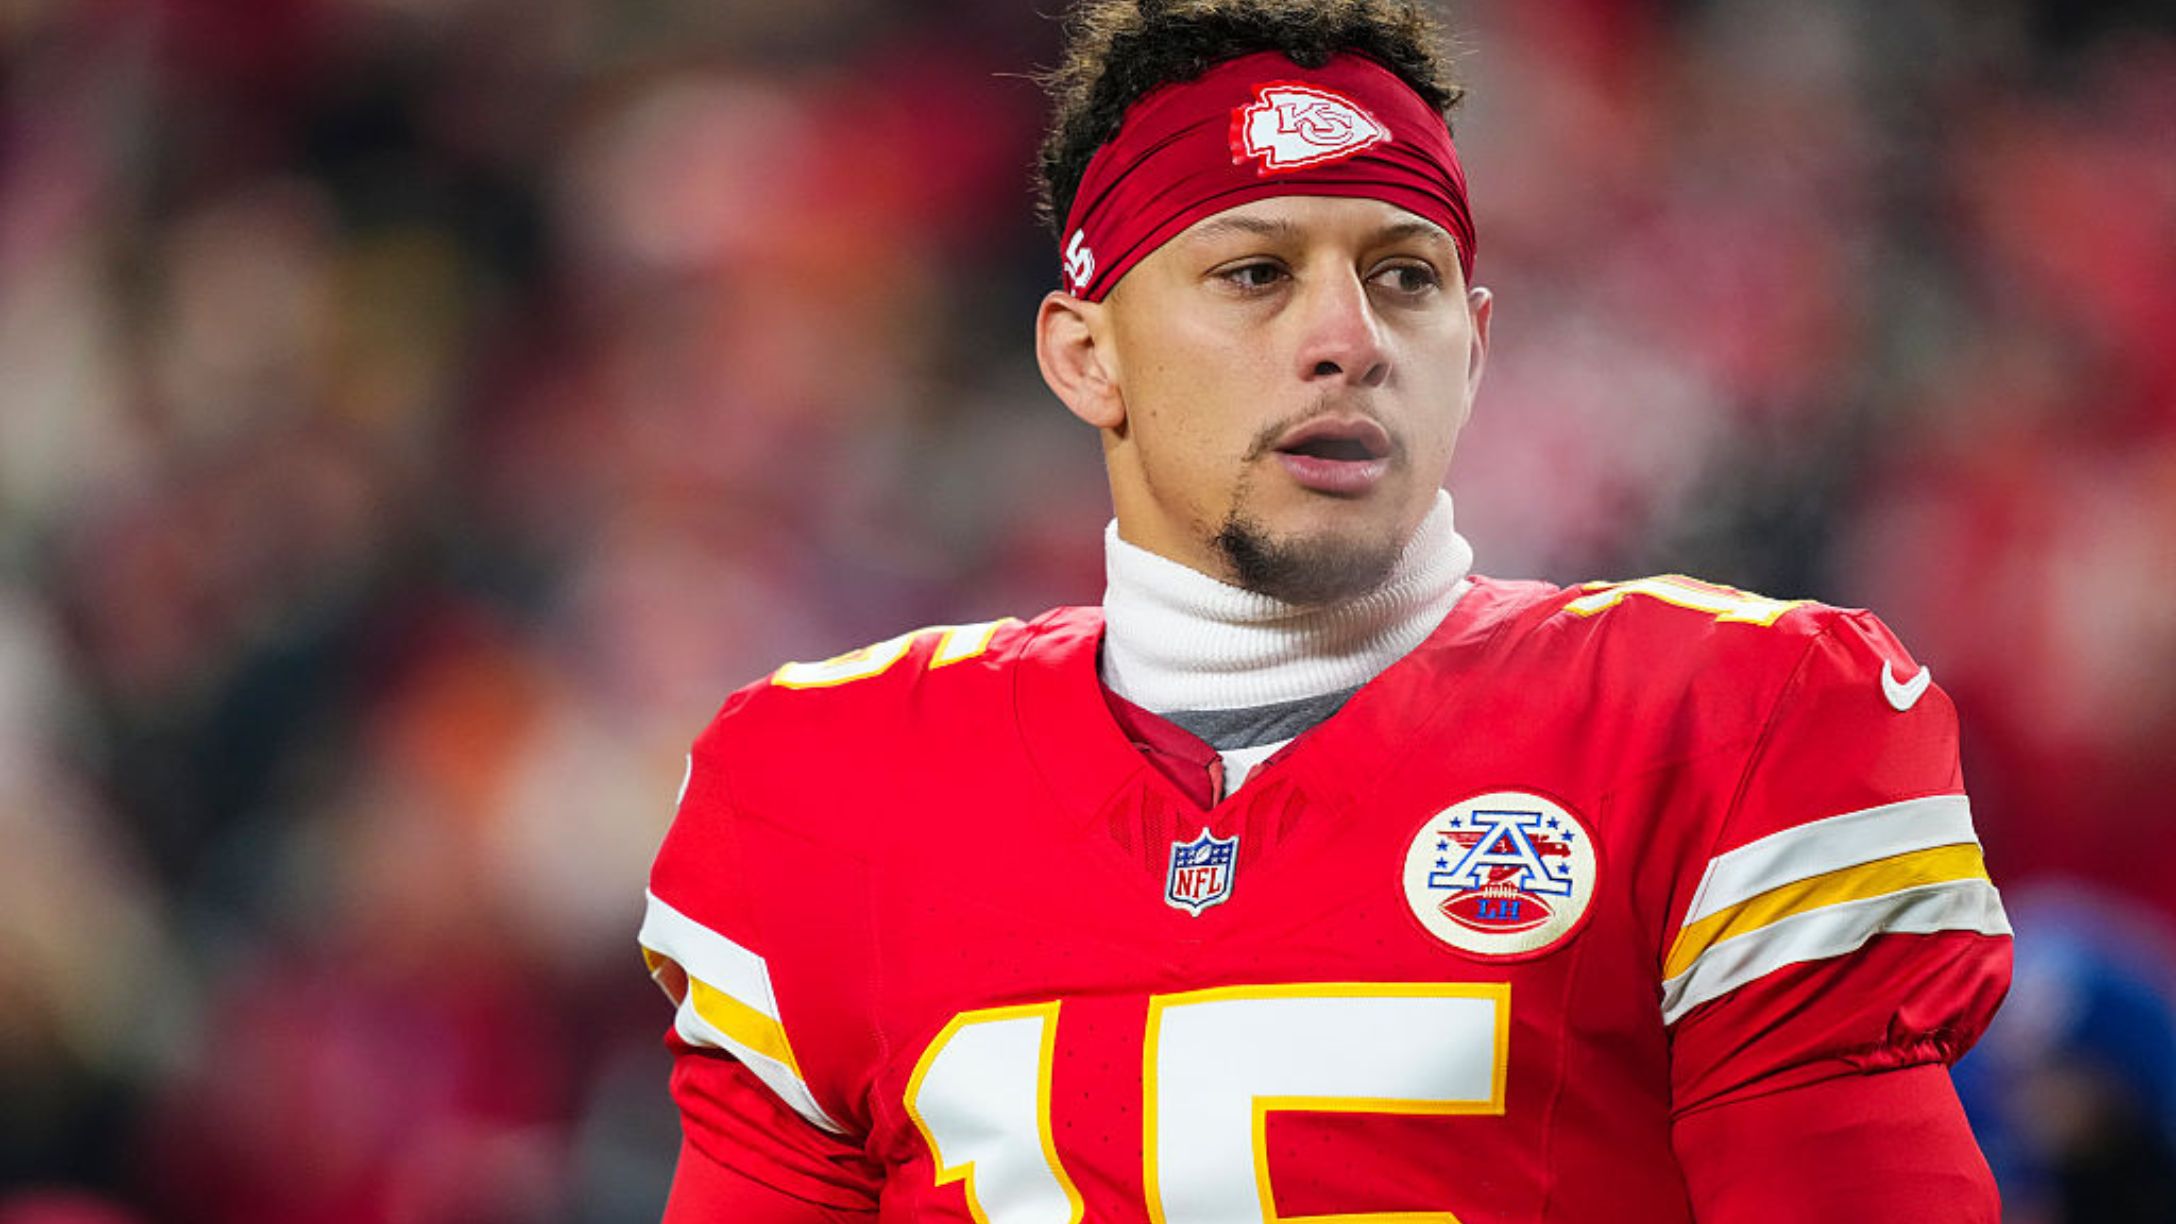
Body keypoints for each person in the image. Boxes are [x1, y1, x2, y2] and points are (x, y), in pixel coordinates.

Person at [636, 1, 2013, 1219]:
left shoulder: (1727, 724)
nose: (1347, 335)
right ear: (1085, 353)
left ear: (1471, 346)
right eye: (1256, 272)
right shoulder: (828, 789)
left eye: (1403, 276)